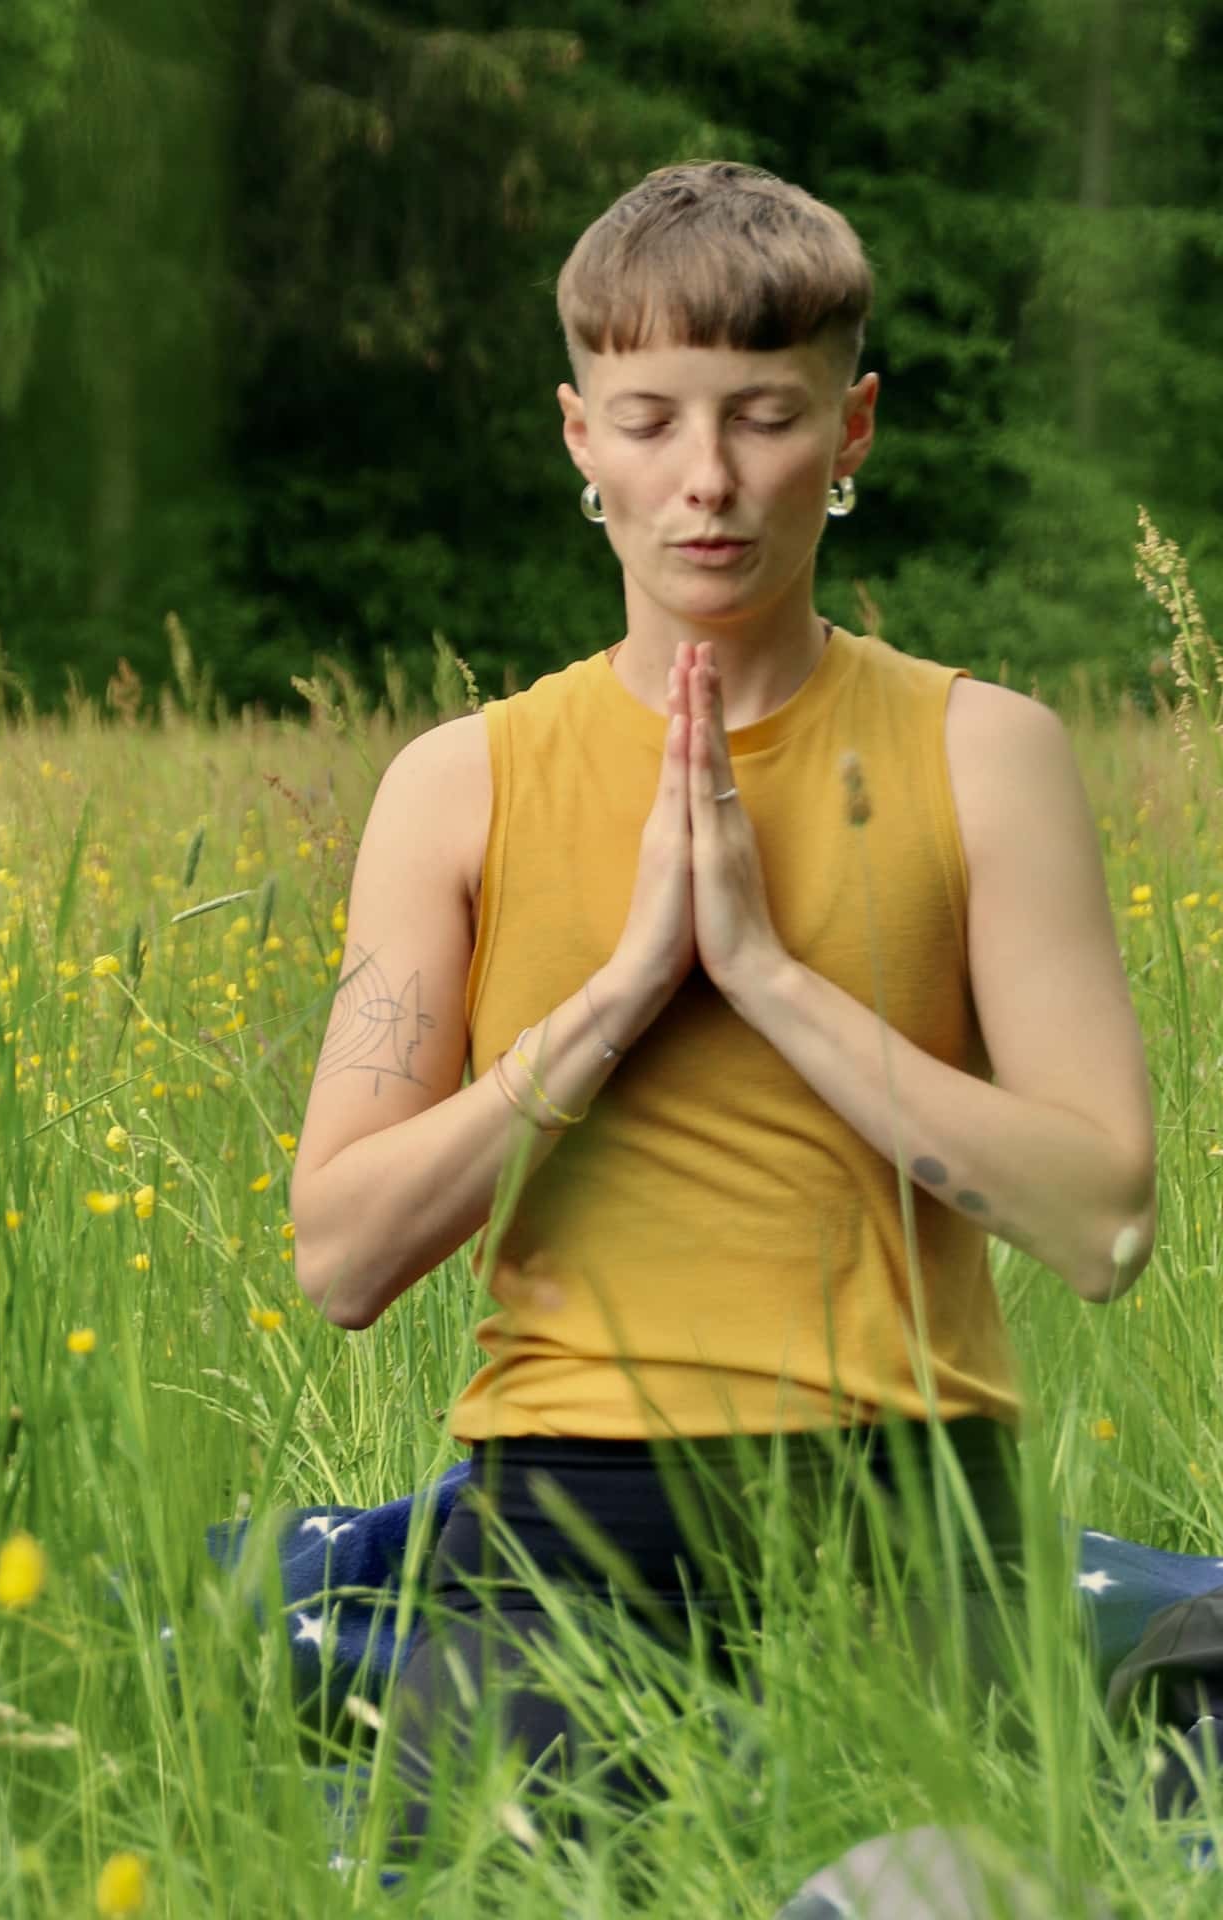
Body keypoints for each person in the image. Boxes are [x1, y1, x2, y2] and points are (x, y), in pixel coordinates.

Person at [285, 161, 1159, 1858]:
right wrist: (621, 996)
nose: (707, 480)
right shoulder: (457, 786)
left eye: (765, 416)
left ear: (853, 432)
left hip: (910, 1503)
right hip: (569, 1510)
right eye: (651, 418)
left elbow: (1105, 1222)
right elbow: (340, 1259)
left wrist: (766, 977)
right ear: (577, 438)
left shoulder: (989, 755)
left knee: (974, 1869)